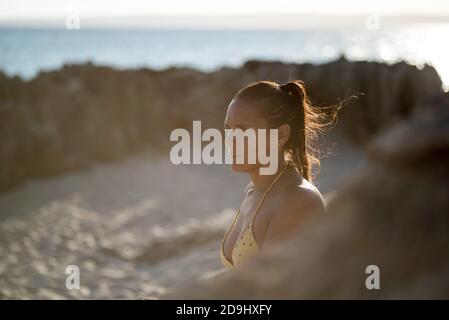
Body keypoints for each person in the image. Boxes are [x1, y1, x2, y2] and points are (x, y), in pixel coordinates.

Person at [221, 80, 336, 269]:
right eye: (228, 129)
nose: (231, 141)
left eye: (242, 130)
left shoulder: (299, 200)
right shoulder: (254, 191)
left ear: (281, 135)